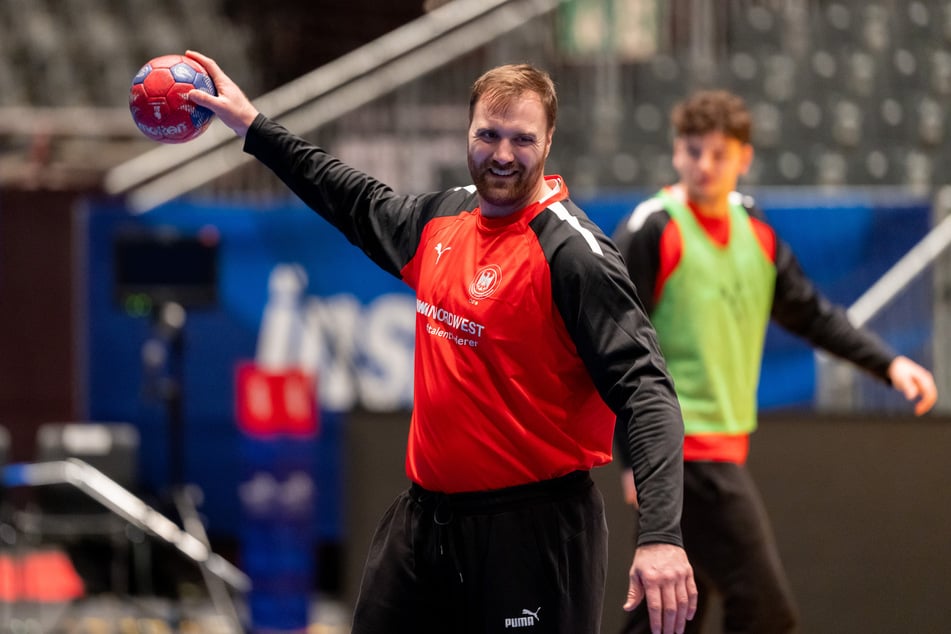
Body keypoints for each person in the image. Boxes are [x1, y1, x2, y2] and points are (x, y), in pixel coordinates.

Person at [185, 51, 698, 634]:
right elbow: (352, 197)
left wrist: (661, 537)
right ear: (468, 132)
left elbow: (649, 394)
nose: (502, 154)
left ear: (549, 140)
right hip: (425, 522)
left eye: (521, 139)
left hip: (534, 534)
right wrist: (254, 127)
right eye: (488, 134)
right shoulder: (442, 221)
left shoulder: (574, 255)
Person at [611, 89, 938, 633]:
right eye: (693, 151)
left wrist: (888, 364)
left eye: (719, 153)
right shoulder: (652, 229)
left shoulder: (755, 229)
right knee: (762, 610)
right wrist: (630, 458)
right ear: (675, 153)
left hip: (718, 450)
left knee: (672, 614)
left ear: (745, 157)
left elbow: (811, 313)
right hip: (683, 452)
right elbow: (616, 348)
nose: (704, 165)